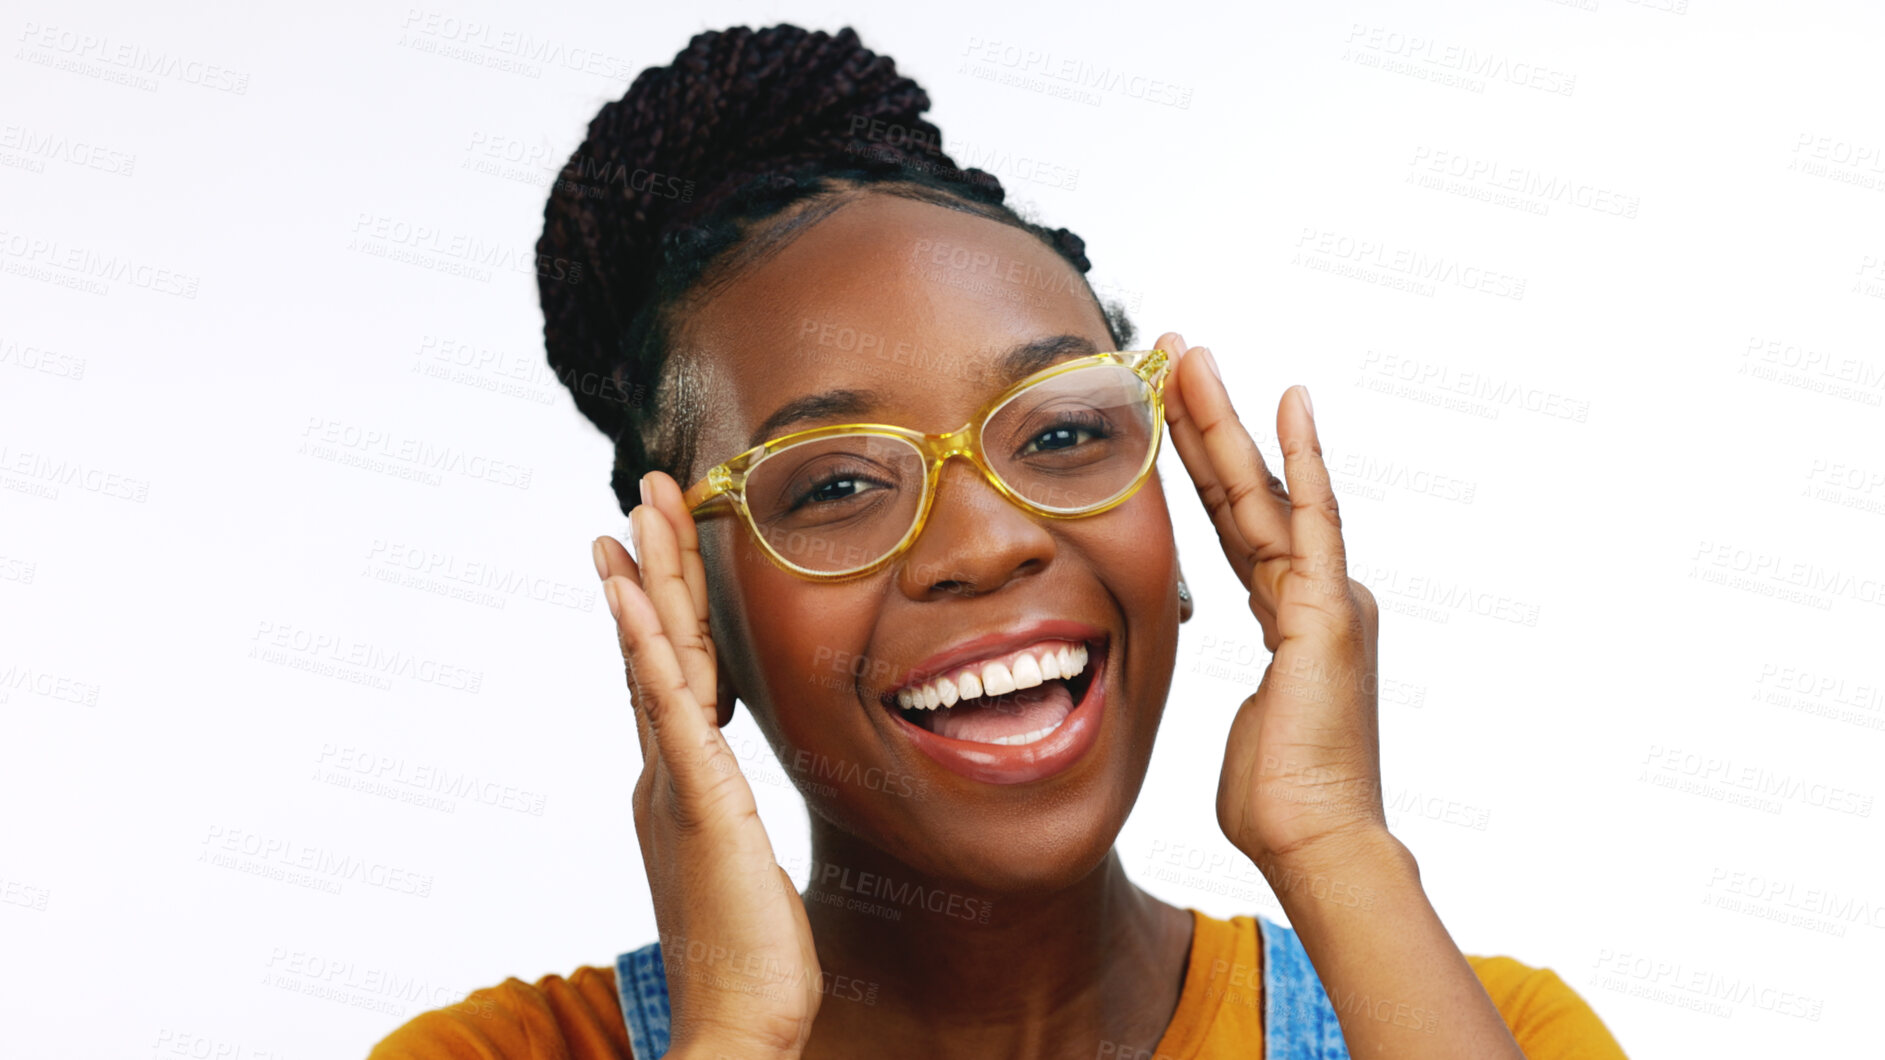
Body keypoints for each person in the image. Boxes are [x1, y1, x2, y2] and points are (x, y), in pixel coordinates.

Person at [369, 23, 1627, 1060]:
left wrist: (1336, 845)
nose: (984, 540)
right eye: (840, 483)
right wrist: (740, 1028)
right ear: (691, 606)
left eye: (1065, 435)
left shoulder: (1477, 1021)